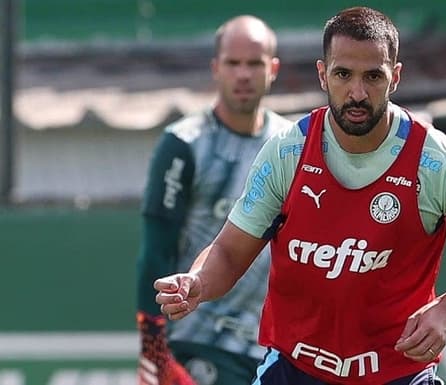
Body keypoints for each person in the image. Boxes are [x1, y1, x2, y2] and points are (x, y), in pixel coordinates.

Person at [154, 6, 446, 385]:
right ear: (323, 75)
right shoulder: (288, 152)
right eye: (343, 74)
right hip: (294, 371)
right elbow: (228, 252)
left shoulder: (436, 162)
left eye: (373, 76)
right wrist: (198, 282)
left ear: (396, 77)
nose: (357, 92)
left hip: (397, 375)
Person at [136, 15, 292, 385]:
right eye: (233, 63)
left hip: (271, 347)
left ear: (272, 69)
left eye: (253, 63)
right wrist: (152, 349)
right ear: (215, 69)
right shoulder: (184, 143)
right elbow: (156, 250)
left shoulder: (293, 144)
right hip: (197, 341)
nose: (243, 74)